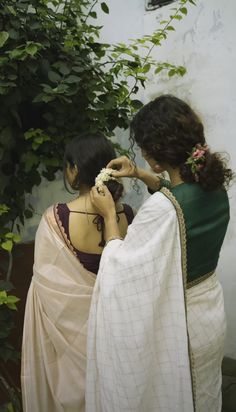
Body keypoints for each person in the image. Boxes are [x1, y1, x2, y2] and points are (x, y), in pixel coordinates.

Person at [86, 95, 233, 412]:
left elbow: (123, 267)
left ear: (156, 155)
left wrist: (109, 214)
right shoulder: (213, 187)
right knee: (202, 394)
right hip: (209, 312)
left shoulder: (162, 209)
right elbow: (179, 200)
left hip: (182, 325)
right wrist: (140, 174)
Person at [21, 133, 134, 412]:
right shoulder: (127, 216)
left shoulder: (55, 219)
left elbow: (46, 292)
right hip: (115, 342)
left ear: (74, 169)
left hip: (71, 356)